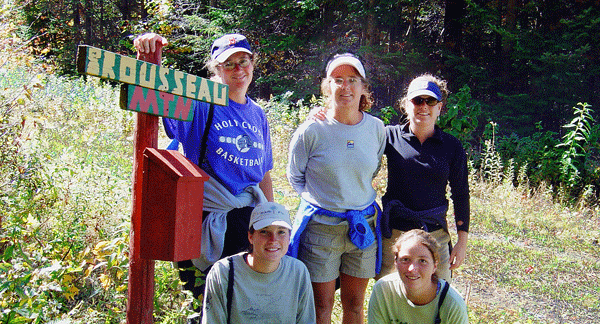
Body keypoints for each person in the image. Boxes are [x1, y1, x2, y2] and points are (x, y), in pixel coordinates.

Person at [133, 33, 274, 315]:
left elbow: (263, 174)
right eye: (229, 64)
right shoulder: (200, 103)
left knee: (246, 306)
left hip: (248, 221)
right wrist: (146, 57)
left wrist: (271, 218)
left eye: (243, 61)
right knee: (207, 307)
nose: (238, 69)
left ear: (252, 64)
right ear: (216, 69)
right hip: (207, 220)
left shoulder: (257, 114)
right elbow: (156, 96)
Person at [286, 53, 386, 323]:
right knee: (321, 307)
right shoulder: (311, 131)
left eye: (352, 80)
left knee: (354, 306)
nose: (345, 87)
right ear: (326, 86)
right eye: (337, 80)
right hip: (321, 230)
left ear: (363, 87)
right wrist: (322, 199)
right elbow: (295, 177)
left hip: (362, 228)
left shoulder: (377, 129)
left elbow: (372, 169)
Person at [377, 74, 470, 282]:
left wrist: (461, 244)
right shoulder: (388, 136)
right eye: (417, 100)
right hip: (395, 235)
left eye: (430, 101)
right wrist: (325, 115)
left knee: (439, 299)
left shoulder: (452, 147)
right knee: (389, 297)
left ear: (439, 107)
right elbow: (356, 131)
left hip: (434, 236)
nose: (423, 106)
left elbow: (461, 195)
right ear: (406, 105)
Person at [202, 202, 316, 323]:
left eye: (281, 232)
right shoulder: (224, 272)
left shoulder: (298, 271)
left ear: (289, 237)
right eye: (264, 232)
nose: (273, 240)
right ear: (250, 236)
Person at [368, 229, 469, 323]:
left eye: (422, 261)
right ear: (395, 262)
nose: (412, 269)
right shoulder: (383, 291)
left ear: (435, 265)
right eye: (405, 259)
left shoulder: (452, 304)